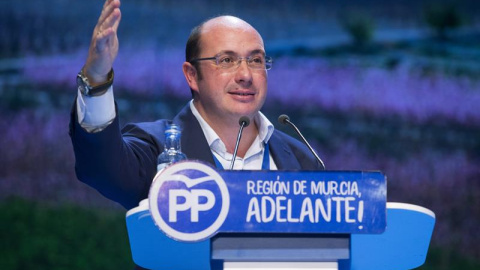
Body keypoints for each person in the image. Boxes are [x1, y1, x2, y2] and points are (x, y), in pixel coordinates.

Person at [70, 0, 324, 210]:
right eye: (226, 60)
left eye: (256, 60)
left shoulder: (302, 159)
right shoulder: (156, 147)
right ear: (192, 75)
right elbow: (103, 169)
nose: (245, 75)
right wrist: (97, 79)